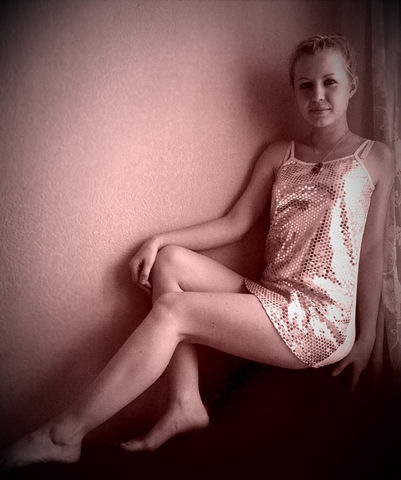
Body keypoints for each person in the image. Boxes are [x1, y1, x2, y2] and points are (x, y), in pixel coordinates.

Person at [0, 33, 394, 470]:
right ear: (295, 91)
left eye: (329, 82)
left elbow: (373, 249)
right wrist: (157, 239)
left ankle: (63, 435)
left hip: (320, 319)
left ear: (352, 85)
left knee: (174, 311)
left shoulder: (376, 158)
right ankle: (185, 403)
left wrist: (368, 339)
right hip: (272, 296)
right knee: (168, 260)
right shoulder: (279, 154)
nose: (317, 94)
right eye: (305, 85)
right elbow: (234, 224)